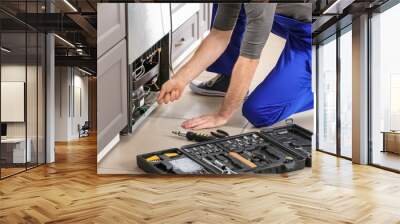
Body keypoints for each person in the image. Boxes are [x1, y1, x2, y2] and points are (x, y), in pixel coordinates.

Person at [157, 3, 313, 130]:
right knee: (243, 10)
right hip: (296, 25)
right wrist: (180, 79)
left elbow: (249, 60)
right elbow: (219, 36)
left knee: (260, 112)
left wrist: (222, 115)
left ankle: (328, 82)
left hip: (320, 32)